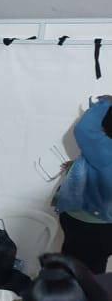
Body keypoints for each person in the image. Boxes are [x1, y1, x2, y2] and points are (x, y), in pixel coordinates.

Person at [54, 95, 112, 274]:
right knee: (91, 277)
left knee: (77, 279)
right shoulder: (102, 154)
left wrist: (106, 103)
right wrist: (76, 166)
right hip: (102, 227)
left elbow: (83, 129)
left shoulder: (105, 149)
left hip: (90, 227)